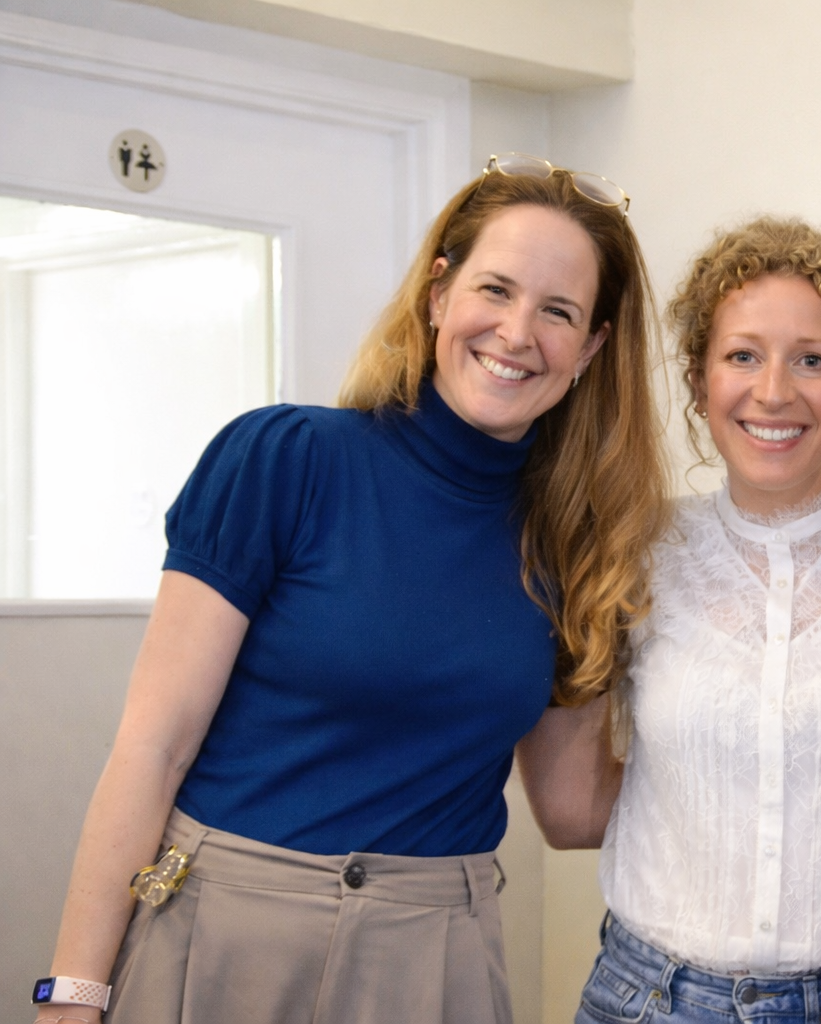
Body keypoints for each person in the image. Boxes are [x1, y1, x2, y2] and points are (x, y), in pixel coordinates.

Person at [33, 155, 668, 1024]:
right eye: (495, 290)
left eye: (558, 311)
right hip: (223, 936)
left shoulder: (579, 545)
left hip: (433, 959)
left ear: (591, 347)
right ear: (438, 294)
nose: (518, 332)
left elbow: (572, 808)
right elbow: (153, 749)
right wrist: (72, 994)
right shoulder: (283, 460)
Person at [517, 217, 821, 1024]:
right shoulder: (632, 552)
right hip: (650, 999)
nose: (773, 391)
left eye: (811, 360)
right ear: (698, 379)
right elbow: (570, 814)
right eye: (742, 355)